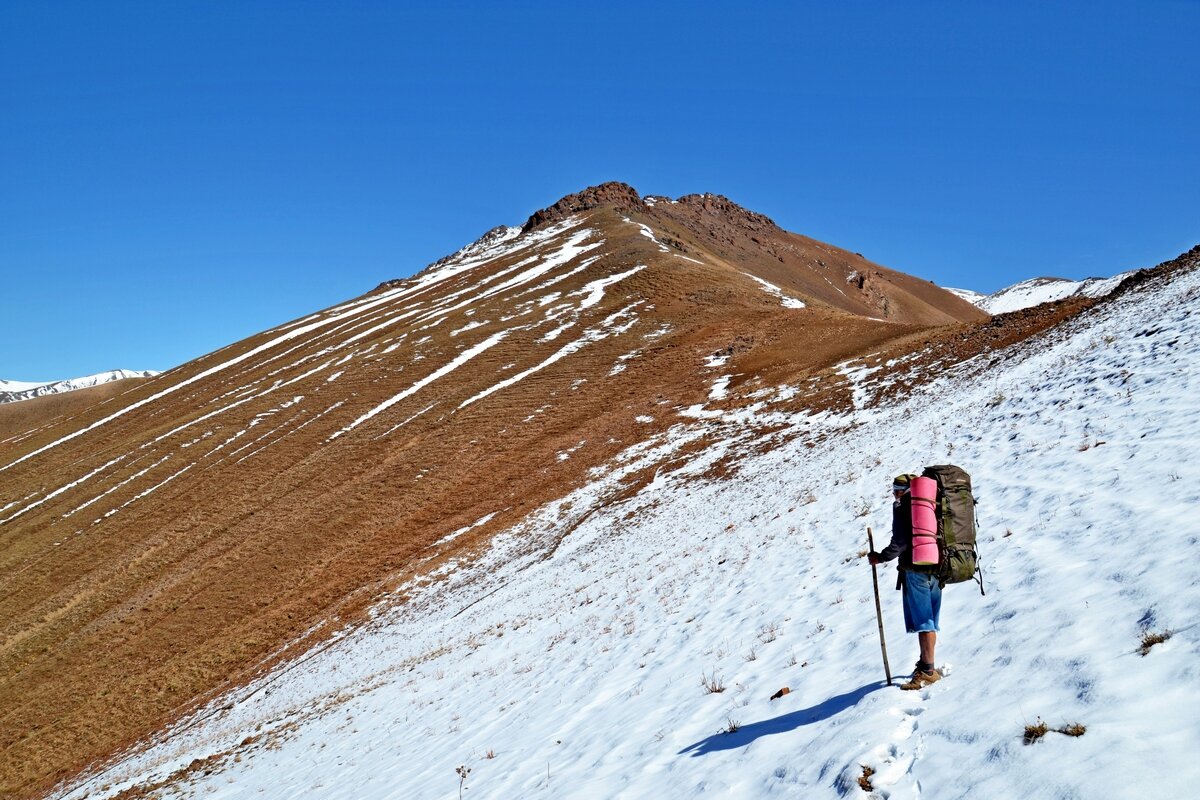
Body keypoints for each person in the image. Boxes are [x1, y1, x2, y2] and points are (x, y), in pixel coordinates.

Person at [869, 474, 942, 690]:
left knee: (924, 622)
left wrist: (880, 557)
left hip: (915, 570)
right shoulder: (931, 505)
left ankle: (927, 671)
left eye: (897, 488)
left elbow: (900, 542)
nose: (894, 492)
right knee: (930, 620)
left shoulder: (904, 507)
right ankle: (927, 665)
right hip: (936, 569)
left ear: (906, 489)